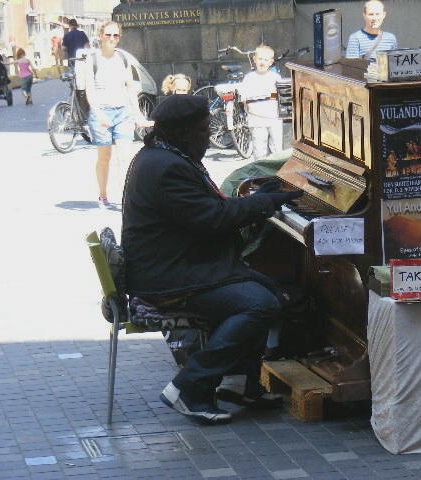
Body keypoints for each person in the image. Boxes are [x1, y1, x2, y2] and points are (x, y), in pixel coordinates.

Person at [121, 94, 303, 424]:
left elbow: (208, 213)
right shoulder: (167, 168)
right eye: (204, 131)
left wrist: (259, 201)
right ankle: (189, 387)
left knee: (270, 291)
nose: (209, 137)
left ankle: (237, 382)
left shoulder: (165, 155)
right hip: (168, 277)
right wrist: (263, 204)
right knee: (260, 304)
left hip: (179, 262)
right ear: (184, 132)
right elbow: (211, 218)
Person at [85, 20, 151, 208]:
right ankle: (103, 195)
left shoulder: (123, 58)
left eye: (116, 35)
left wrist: (138, 114)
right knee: (104, 158)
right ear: (101, 36)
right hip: (102, 113)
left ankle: (127, 197)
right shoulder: (93, 59)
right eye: (108, 35)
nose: (112, 39)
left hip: (123, 112)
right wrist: (99, 114)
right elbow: (90, 91)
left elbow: (130, 88)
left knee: (125, 157)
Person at [240, 45, 282, 160]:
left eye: (266, 60)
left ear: (271, 62)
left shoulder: (275, 78)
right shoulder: (249, 78)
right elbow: (245, 99)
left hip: (274, 118)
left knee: (277, 150)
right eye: (260, 59)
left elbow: (280, 97)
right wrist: (251, 108)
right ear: (254, 60)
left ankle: (276, 175)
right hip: (257, 120)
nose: (262, 62)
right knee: (259, 151)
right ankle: (261, 176)